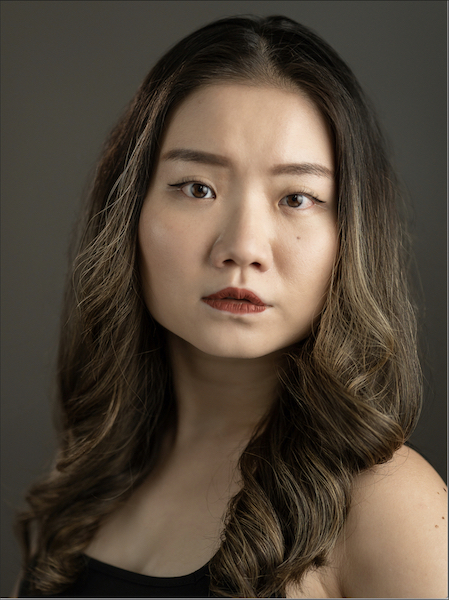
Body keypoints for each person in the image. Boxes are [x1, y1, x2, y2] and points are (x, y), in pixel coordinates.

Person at [14, 14, 447, 599]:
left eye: (297, 197)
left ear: (352, 237)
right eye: (198, 188)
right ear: (130, 212)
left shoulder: (390, 506)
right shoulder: (86, 480)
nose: (242, 246)